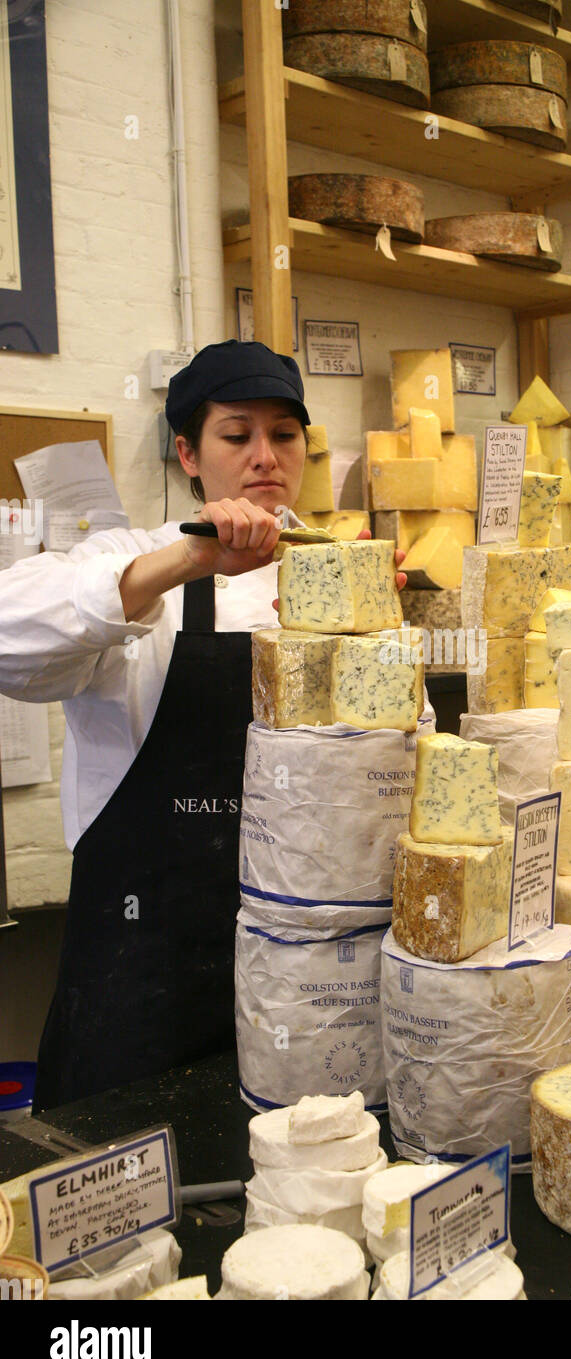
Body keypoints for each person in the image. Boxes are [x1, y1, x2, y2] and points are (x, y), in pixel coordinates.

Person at [0, 340, 406, 1109]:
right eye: (236, 434)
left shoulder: (340, 578)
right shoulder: (131, 560)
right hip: (143, 973)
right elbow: (7, 635)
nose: (264, 456)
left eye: (284, 435)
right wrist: (190, 562)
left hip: (307, 990)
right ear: (188, 453)